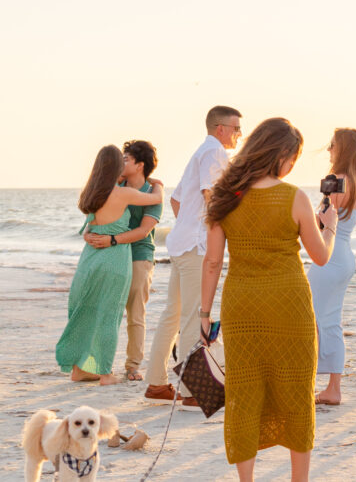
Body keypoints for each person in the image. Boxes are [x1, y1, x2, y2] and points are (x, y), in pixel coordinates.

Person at [200, 117, 338, 482]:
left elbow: (212, 262)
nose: (292, 164)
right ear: (282, 155)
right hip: (289, 304)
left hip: (241, 304)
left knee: (244, 390)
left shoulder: (224, 196)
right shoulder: (295, 197)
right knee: (295, 388)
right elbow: (321, 257)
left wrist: (203, 312)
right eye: (293, 157)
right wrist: (331, 226)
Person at [145, 105, 241, 407]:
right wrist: (210, 233)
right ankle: (191, 393)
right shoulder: (215, 153)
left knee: (172, 315)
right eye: (236, 128)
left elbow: (176, 200)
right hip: (196, 248)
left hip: (182, 244)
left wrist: (190, 225)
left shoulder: (200, 152)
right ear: (220, 129)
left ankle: (156, 383)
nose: (239, 134)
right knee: (190, 320)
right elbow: (211, 197)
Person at [56, 145, 164, 385]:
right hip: (115, 257)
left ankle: (129, 366)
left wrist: (106, 238)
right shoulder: (119, 191)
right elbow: (90, 228)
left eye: (128, 159)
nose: (123, 163)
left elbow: (144, 230)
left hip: (127, 256)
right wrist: (160, 186)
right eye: (121, 160)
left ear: (140, 165)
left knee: (126, 313)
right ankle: (102, 371)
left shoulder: (97, 191)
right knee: (109, 314)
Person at [307, 128, 356, 405]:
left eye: (332, 145)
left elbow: (323, 221)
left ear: (340, 149)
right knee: (330, 320)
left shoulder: (336, 181)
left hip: (330, 257)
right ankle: (333, 386)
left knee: (316, 321)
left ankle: (327, 387)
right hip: (344, 255)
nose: (328, 149)